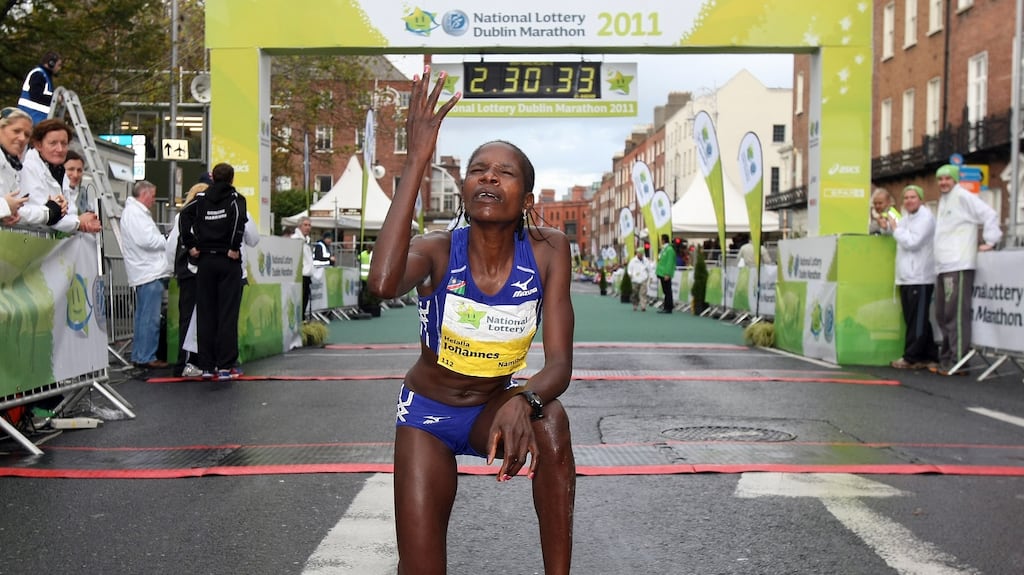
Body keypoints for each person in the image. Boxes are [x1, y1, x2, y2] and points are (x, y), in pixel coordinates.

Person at [367, 69, 575, 575]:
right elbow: (382, 283)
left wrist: (524, 399)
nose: (487, 176)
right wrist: (417, 159)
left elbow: (561, 365)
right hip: (428, 418)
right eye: (478, 169)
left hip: (492, 408)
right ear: (464, 189)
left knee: (552, 420)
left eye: (503, 172)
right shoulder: (438, 250)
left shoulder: (549, 252)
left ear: (526, 199)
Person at [930, 164, 1002, 374]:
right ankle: (946, 358)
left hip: (959, 265)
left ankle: (958, 360)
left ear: (955, 180)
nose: (943, 182)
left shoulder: (963, 196)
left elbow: (989, 214)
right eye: (940, 179)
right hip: (943, 266)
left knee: (955, 314)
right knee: (942, 314)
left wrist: (990, 240)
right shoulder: (945, 200)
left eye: (947, 179)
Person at [179, 163, 248, 381]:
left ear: (213, 178)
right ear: (231, 179)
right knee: (227, 314)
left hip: (205, 260)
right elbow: (239, 221)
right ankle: (225, 366)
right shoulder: (236, 199)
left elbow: (183, 217)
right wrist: (234, 247)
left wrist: (191, 245)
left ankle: (207, 366)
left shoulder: (200, 200)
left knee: (206, 314)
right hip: (228, 261)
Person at [888, 185, 939, 369]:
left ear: (921, 199)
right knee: (916, 318)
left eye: (913, 197)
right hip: (907, 276)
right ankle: (929, 355)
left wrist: (895, 229)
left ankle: (911, 357)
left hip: (920, 276)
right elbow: (896, 230)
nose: (909, 200)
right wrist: (891, 223)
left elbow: (912, 242)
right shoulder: (907, 217)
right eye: (906, 197)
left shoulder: (925, 218)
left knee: (916, 320)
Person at [20, 118, 101, 234]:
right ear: (38, 145)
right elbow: (46, 214)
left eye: (64, 143)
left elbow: (68, 211)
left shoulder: (59, 171)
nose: (60, 149)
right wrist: (78, 222)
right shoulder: (28, 169)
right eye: (53, 143)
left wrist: (82, 220)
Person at [121, 180, 170, 369]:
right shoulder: (136, 214)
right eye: (153, 195)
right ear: (145, 194)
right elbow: (147, 240)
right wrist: (166, 238)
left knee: (144, 317)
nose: (154, 199)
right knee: (149, 318)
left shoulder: (133, 212)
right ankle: (146, 355)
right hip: (149, 271)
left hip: (144, 271)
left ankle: (141, 354)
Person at [166, 182, 207, 378]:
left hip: (191, 273)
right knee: (190, 318)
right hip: (191, 272)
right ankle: (186, 362)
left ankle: (194, 361)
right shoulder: (185, 217)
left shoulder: (188, 217)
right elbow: (172, 246)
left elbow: (170, 247)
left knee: (195, 319)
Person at [0, 106, 64, 228]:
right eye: (16, 131)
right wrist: (5, 206)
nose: (22, 138)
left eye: (27, 134)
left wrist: (53, 207)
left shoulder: (13, 165)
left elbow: (17, 211)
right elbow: (10, 207)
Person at [18, 52, 62, 125]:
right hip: (31, 117)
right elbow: (36, 96)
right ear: (51, 63)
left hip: (35, 117)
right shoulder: (39, 74)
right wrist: (55, 98)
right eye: (58, 65)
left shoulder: (45, 75)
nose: (59, 68)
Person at [291, 217, 313, 320]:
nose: (308, 227)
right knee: (299, 302)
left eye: (309, 225)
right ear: (299, 226)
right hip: (300, 276)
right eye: (305, 225)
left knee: (305, 301)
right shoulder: (295, 240)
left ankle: (302, 321)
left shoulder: (307, 241)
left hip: (307, 276)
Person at [62, 149, 90, 215]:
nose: (75, 175)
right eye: (71, 169)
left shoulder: (81, 196)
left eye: (79, 170)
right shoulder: (55, 192)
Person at [656, 233, 675, 313]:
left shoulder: (669, 250)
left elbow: (670, 262)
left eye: (661, 240)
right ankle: (666, 306)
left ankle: (668, 307)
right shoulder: (664, 249)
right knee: (665, 290)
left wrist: (667, 273)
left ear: (663, 240)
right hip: (661, 273)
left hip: (665, 273)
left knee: (667, 290)